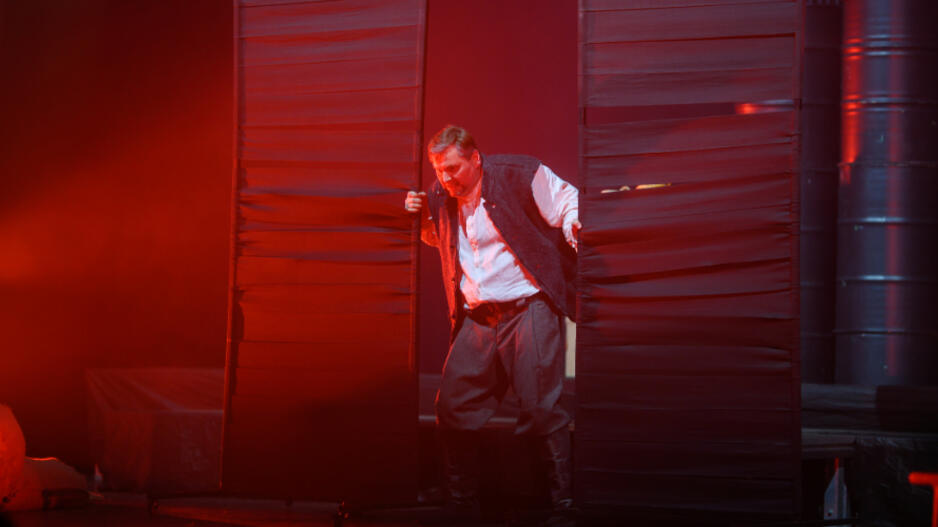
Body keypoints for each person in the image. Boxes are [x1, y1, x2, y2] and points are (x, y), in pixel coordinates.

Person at [405, 125, 579, 523]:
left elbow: (568, 201)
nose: (446, 178)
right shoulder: (440, 195)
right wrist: (421, 216)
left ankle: (562, 506)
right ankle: (462, 505)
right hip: (480, 318)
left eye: (453, 168)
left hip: (528, 308)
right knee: (452, 408)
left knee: (541, 409)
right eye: (439, 170)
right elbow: (439, 237)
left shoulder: (520, 173)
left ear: (476, 159)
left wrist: (574, 226)